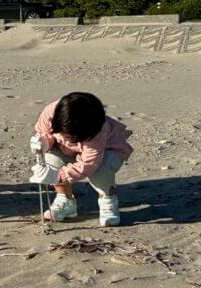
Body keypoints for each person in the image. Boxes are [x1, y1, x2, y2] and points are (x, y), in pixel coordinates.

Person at [29, 92, 133, 226]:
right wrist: (43, 142)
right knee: (51, 159)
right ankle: (65, 200)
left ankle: (108, 199)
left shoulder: (98, 130)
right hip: (64, 149)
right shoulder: (51, 111)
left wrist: (59, 176)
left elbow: (89, 164)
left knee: (101, 170)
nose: (67, 137)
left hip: (106, 150)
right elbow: (45, 132)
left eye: (71, 137)